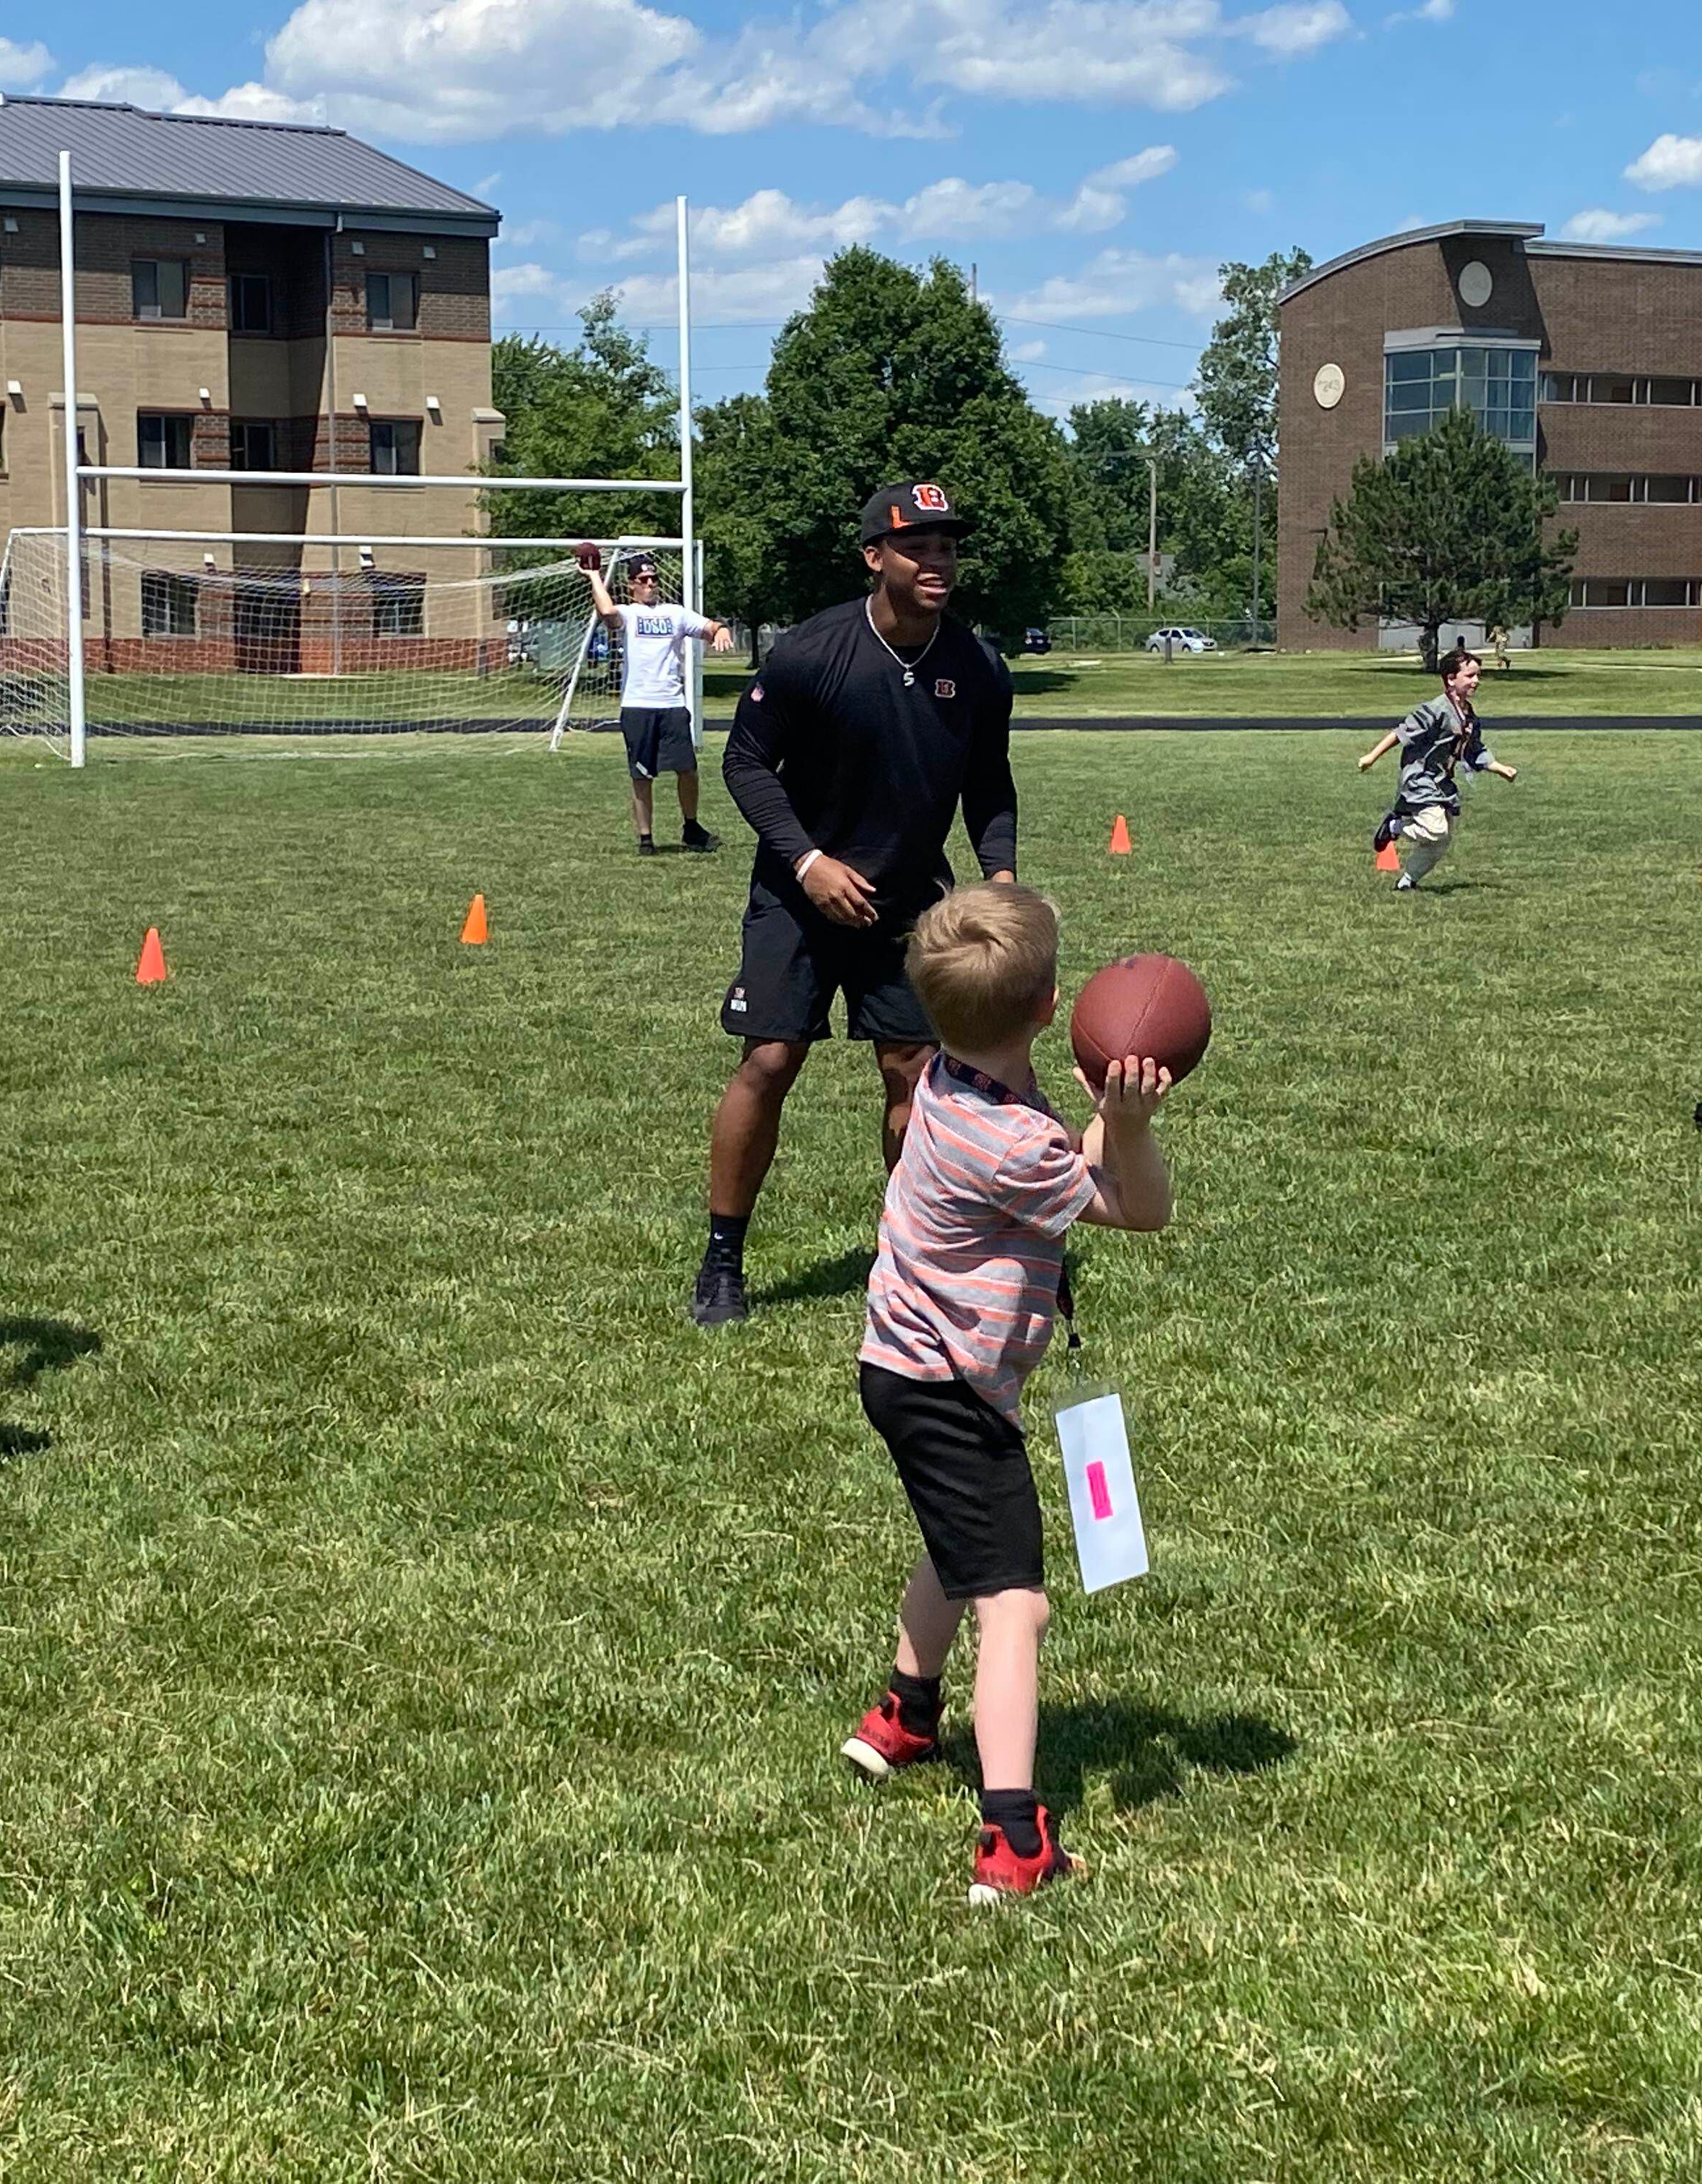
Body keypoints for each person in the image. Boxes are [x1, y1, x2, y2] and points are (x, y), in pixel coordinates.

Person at [836, 883, 1175, 1902]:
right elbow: (1137, 1208)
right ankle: (1012, 1835)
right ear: (1049, 1003)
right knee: (1015, 1602)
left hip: (904, 1368)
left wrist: (1093, 1115)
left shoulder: (949, 1078)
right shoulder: (1014, 1143)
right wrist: (1132, 1124)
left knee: (960, 1542)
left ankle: (901, 1716)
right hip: (946, 1384)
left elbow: (1058, 1167)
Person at [693, 481, 1017, 1327]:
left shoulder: (978, 667)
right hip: (799, 893)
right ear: (876, 557)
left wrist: (1001, 877)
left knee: (912, 1074)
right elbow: (746, 765)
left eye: (948, 546)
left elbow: (987, 782)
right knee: (769, 1060)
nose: (937, 561)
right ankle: (723, 1261)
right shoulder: (811, 651)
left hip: (908, 899)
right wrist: (807, 863)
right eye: (918, 547)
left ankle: (917, 1254)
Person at [584, 551, 732, 855]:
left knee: (687, 769)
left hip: (672, 704)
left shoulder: (676, 613)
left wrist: (722, 630)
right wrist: (594, 576)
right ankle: (646, 838)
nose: (650, 584)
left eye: (654, 579)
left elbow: (710, 627)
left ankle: (691, 828)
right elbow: (607, 612)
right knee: (642, 773)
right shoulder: (628, 613)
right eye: (643, 580)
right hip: (638, 706)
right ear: (631, 586)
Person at [1358, 646, 1518, 890]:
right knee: (1435, 830)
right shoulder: (1436, 709)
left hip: (1443, 783)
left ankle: (1406, 883)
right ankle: (1393, 827)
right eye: (1470, 676)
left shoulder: (1469, 715)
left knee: (1441, 841)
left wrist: (1500, 768)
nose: (1476, 681)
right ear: (1451, 679)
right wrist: (1371, 756)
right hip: (1420, 778)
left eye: (1478, 676)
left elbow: (1475, 749)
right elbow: (1401, 733)